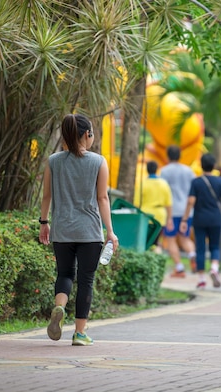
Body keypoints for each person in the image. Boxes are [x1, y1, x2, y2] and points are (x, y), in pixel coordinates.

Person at [39, 113, 118, 346]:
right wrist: (110, 232)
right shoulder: (98, 161)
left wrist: (44, 223)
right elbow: (102, 198)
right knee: (86, 280)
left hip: (62, 230)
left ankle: (59, 307)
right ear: (87, 134)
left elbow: (46, 197)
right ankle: (80, 333)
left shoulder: (53, 161)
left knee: (64, 274)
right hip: (89, 232)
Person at [180, 153, 221, 289]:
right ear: (213, 166)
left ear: (201, 166)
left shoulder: (196, 182)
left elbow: (191, 201)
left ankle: (201, 279)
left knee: (200, 248)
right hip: (216, 218)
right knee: (215, 246)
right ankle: (214, 268)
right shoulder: (220, 182)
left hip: (199, 219)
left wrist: (184, 220)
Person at [160, 145, 197, 277]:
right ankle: (193, 255)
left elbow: (162, 190)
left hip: (172, 210)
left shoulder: (165, 171)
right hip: (187, 210)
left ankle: (179, 267)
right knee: (184, 237)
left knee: (170, 239)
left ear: (168, 156)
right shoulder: (189, 171)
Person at [133, 161, 174, 252]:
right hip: (160, 216)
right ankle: (157, 258)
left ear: (147, 170)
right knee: (156, 241)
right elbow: (169, 204)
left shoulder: (143, 184)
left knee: (145, 241)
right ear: (157, 169)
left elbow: (136, 204)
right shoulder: (164, 184)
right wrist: (170, 219)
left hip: (146, 216)